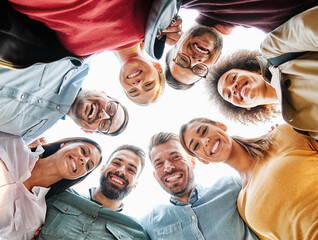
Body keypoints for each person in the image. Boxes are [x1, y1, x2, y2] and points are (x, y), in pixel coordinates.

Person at [4, 0, 182, 105]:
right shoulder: (150, 22)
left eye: (133, 91)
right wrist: (170, 18)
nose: (137, 84)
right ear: (157, 67)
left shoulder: (80, 56)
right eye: (148, 85)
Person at [180, 117, 318, 239]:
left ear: (221, 125)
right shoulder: (243, 205)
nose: (205, 141)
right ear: (203, 160)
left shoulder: (282, 135)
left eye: (204, 131)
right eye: (196, 145)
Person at [207, 6, 318, 139]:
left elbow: (311, 27)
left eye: (233, 78)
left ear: (251, 69)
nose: (233, 88)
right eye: (229, 95)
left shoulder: (272, 50)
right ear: (245, 108)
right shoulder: (297, 123)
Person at [165, 0, 318, 90]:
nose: (195, 60)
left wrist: (159, 22)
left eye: (182, 60)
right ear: (215, 62)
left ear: (175, 40)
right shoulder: (278, 31)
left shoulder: (189, 1)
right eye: (198, 69)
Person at [140, 132, 258, 240]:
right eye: (159, 163)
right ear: (155, 176)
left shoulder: (232, 187)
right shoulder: (148, 224)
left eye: (175, 157)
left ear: (192, 161)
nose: (168, 167)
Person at [0, 58, 129, 144]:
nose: (104, 115)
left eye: (104, 125)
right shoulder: (78, 62)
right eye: (111, 108)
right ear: (102, 93)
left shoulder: (28, 136)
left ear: (87, 131)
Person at [0, 133, 102, 240]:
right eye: (83, 151)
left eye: (88, 166)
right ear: (65, 144)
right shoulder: (12, 144)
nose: (83, 161)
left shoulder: (35, 219)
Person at [37, 144, 149, 240]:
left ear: (136, 184)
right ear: (102, 168)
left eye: (131, 170)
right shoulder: (59, 194)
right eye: (116, 163)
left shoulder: (136, 232)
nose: (121, 171)